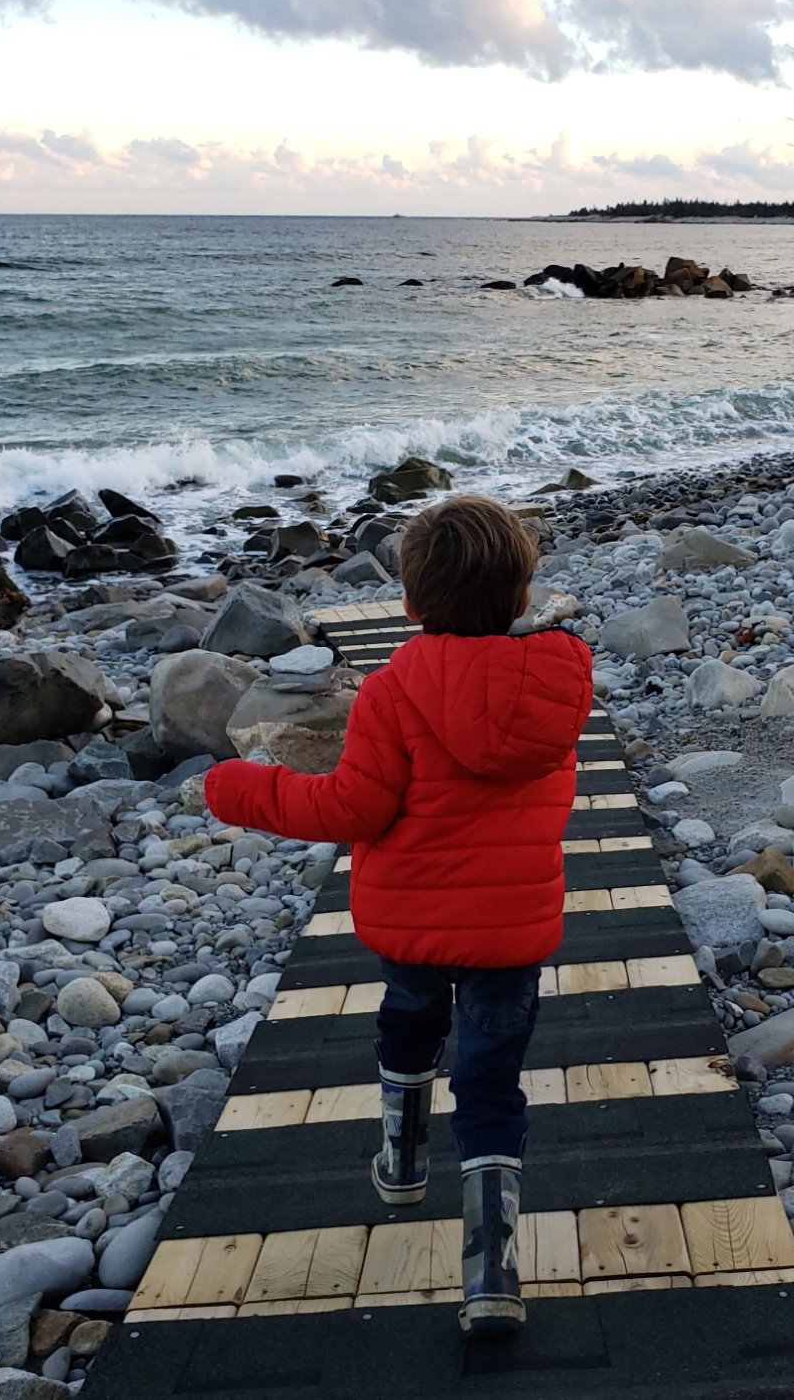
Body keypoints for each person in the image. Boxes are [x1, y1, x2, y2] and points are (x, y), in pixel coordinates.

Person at [202, 494, 593, 1336]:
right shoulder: (557, 689)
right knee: (492, 1082)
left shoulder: (391, 690)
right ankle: (492, 1270)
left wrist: (243, 789)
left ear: (411, 604)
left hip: (411, 920)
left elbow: (353, 809)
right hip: (509, 931)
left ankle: (402, 1156)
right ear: (522, 597)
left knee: (408, 1025)